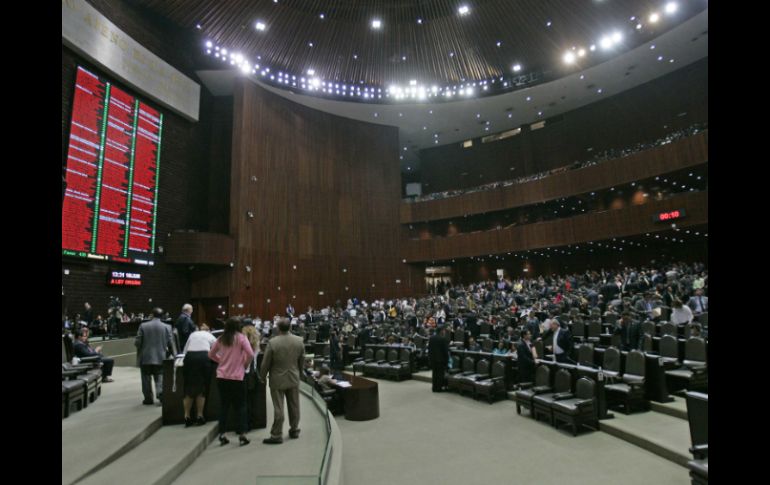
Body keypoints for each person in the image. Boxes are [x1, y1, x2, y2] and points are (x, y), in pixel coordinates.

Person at [208, 317, 255, 447]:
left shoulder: (221, 338)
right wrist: (244, 365)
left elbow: (210, 354)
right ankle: (242, 435)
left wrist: (221, 361)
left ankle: (222, 434)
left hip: (222, 376)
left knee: (224, 406)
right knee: (241, 406)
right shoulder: (241, 338)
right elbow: (250, 354)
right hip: (237, 377)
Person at [259, 317, 306, 444]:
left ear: (278, 328)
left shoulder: (273, 342)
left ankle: (276, 434)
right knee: (294, 405)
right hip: (293, 377)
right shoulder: (299, 341)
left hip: (277, 379)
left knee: (278, 408)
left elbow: (265, 363)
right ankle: (294, 429)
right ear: (290, 327)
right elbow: (302, 361)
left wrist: (262, 377)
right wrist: (300, 374)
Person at [135, 308, 174, 405]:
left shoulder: (143, 325)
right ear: (162, 315)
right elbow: (170, 343)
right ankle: (161, 396)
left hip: (145, 357)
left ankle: (148, 399)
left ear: (152, 314)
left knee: (146, 379)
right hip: (161, 357)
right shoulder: (167, 327)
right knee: (160, 377)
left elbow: (137, 342)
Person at [181, 323, 216, 427]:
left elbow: (185, 351)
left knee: (188, 387)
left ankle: (186, 416)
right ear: (208, 330)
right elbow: (217, 349)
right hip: (203, 357)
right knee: (202, 387)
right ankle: (200, 415)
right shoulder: (210, 335)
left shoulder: (193, 334)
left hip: (190, 358)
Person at [428, 327, 449, 392]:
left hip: (433, 359)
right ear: (441, 331)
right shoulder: (443, 339)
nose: (444, 332)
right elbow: (445, 351)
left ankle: (434, 388)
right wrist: (447, 359)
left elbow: (429, 349)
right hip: (441, 360)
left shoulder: (431, 338)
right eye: (444, 330)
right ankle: (439, 388)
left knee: (434, 374)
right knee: (440, 374)